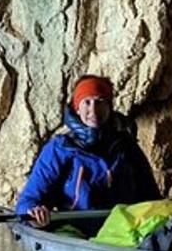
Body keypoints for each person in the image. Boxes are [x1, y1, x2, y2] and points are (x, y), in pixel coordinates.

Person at [16, 75, 162, 230]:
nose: (93, 110)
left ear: (109, 107)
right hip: (75, 232)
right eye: (87, 102)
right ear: (77, 108)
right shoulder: (59, 149)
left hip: (123, 231)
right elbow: (27, 202)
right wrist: (34, 213)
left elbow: (152, 198)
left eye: (100, 102)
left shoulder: (127, 147)